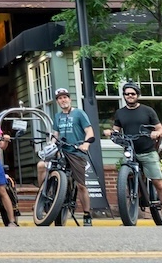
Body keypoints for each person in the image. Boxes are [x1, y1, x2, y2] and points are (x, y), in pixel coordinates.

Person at [107, 82, 162, 226]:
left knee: (158, 183)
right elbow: (116, 130)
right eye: (127, 94)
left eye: (132, 94)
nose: (130, 96)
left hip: (147, 152)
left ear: (137, 95)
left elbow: (161, 130)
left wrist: (156, 133)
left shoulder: (148, 111)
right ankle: (129, 215)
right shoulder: (120, 113)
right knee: (125, 178)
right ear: (124, 96)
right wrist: (110, 133)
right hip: (130, 151)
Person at [51, 87, 95, 226]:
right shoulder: (57, 116)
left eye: (65, 97)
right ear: (57, 101)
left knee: (81, 185)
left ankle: (87, 214)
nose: (63, 100)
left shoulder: (79, 113)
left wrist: (86, 144)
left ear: (69, 99)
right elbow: (55, 135)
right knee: (42, 167)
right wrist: (51, 146)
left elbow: (89, 131)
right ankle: (47, 199)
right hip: (62, 151)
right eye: (60, 98)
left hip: (76, 151)